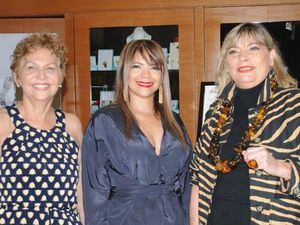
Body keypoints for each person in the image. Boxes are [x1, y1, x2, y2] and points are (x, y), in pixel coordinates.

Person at [190, 23, 300, 225]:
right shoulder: (216, 112)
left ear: (272, 56)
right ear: (226, 63)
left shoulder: (294, 105)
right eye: (234, 51)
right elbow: (198, 179)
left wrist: (279, 167)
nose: (243, 57)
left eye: (253, 48)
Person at [82, 39, 192, 225]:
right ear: (125, 72)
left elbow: (186, 184)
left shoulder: (174, 121)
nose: (146, 75)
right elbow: (94, 194)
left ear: (162, 74)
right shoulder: (105, 121)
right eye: (137, 66)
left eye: (154, 67)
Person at [0, 33, 84, 224]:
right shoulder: (3, 122)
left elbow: (80, 196)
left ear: (61, 76)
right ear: (17, 77)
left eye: (51, 68)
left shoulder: (72, 125)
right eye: (31, 67)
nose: (41, 75)